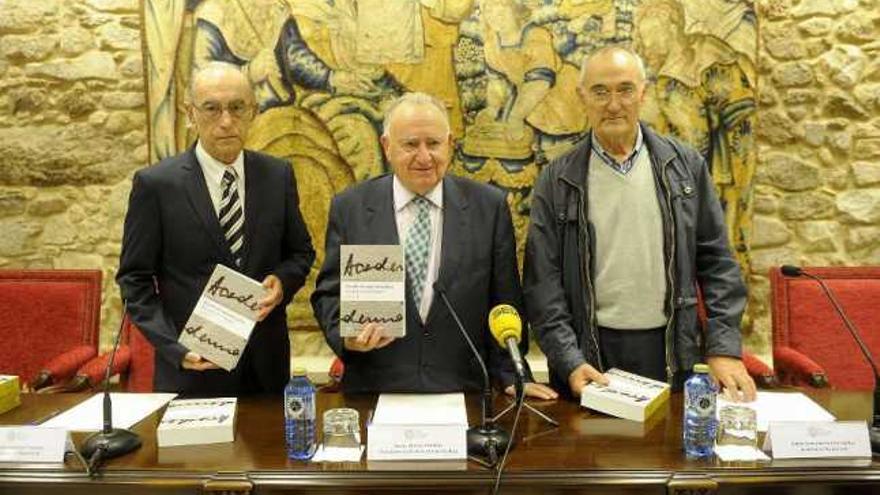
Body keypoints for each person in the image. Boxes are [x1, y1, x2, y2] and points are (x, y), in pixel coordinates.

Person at [523, 46, 756, 402]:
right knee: (592, 454)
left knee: (668, 456)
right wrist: (569, 360)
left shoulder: (686, 167)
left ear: (642, 94)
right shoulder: (556, 181)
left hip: (671, 350)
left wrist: (723, 348)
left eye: (625, 90)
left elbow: (719, 264)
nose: (613, 104)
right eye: (600, 91)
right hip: (590, 355)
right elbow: (543, 286)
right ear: (581, 96)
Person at [312, 92, 556, 399]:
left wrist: (510, 373)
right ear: (387, 146)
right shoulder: (352, 208)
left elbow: (505, 300)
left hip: (463, 390)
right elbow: (328, 294)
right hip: (375, 390)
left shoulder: (488, 207)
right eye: (411, 144)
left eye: (434, 144)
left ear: (451, 144)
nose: (425, 157)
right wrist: (347, 337)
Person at [117, 62, 315, 396]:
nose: (226, 121)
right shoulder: (156, 185)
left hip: (266, 371)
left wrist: (281, 283)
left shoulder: (277, 175)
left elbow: (300, 253)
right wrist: (176, 348)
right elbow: (134, 281)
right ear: (190, 113)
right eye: (212, 109)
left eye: (237, 108)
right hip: (193, 371)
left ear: (253, 110)